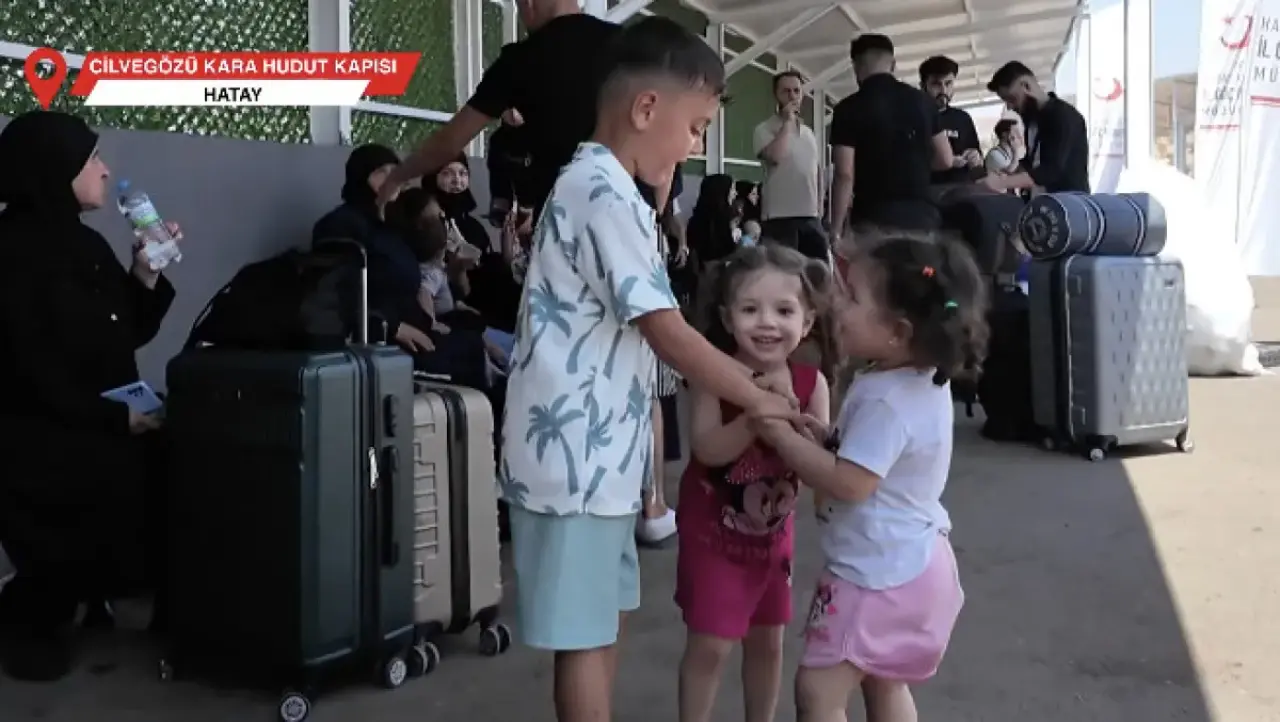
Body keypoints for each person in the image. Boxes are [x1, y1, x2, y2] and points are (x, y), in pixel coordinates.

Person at [498, 18, 800, 722]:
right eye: (694, 128)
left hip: (600, 461)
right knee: (584, 637)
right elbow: (665, 329)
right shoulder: (598, 192)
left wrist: (659, 202)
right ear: (645, 109)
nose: (694, 145)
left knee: (605, 618)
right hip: (573, 462)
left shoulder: (609, 191)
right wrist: (757, 396)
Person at [748, 233, 990, 722]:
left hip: (875, 576)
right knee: (884, 679)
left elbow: (851, 483)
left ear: (898, 331)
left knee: (818, 692)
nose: (838, 305)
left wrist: (780, 437)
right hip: (914, 563)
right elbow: (877, 459)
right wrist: (822, 436)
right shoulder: (915, 381)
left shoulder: (887, 401)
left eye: (853, 297)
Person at [0, 110, 180, 681]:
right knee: (56, 583)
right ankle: (35, 610)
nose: (104, 171)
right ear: (55, 168)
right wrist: (113, 418)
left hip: (106, 420)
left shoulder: (86, 246)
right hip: (45, 440)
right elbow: (27, 373)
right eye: (92, 158)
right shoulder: (13, 256)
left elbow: (122, 333)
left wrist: (145, 274)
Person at [675, 244, 834, 722]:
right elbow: (707, 449)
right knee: (712, 645)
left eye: (784, 310)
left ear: (807, 321)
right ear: (727, 318)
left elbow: (819, 462)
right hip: (712, 537)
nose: (767, 323)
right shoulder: (713, 376)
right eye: (750, 309)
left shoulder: (812, 382)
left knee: (769, 640)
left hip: (773, 541)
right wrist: (754, 418)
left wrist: (809, 434)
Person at [375, 0, 621, 218]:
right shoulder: (625, 44)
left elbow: (449, 141)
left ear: (528, 3)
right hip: (629, 208)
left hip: (564, 215)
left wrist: (397, 177)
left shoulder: (520, 60)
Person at [828, 34, 955, 241]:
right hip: (922, 217)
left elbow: (844, 174)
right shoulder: (923, 102)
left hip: (873, 218)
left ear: (856, 67)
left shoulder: (847, 109)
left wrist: (835, 229)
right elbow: (946, 159)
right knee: (921, 263)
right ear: (893, 64)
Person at [313, 144, 435, 354]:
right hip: (376, 342)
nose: (390, 180)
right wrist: (390, 327)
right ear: (361, 178)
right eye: (381, 172)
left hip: (409, 334)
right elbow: (337, 295)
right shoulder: (340, 225)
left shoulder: (389, 225)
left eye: (394, 172)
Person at [979, 61, 1089, 194]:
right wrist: (1007, 174)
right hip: (1043, 201)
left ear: (1026, 86)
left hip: (1069, 202)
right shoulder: (1031, 119)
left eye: (1012, 99)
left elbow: (1050, 170)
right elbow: (1031, 163)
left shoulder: (1063, 116)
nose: (1009, 107)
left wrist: (1002, 182)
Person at [754, 70, 827, 261]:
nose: (792, 96)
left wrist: (819, 206)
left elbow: (816, 170)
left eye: (796, 91)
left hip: (810, 216)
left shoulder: (809, 133)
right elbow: (776, 156)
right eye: (786, 91)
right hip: (779, 218)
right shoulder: (763, 129)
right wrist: (787, 123)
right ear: (776, 95)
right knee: (783, 270)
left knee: (817, 270)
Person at [918, 56, 983, 184]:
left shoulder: (963, 118)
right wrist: (947, 161)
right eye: (936, 84)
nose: (943, 90)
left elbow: (978, 165)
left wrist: (975, 158)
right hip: (929, 190)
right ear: (923, 86)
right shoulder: (914, 118)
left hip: (963, 188)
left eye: (948, 83)